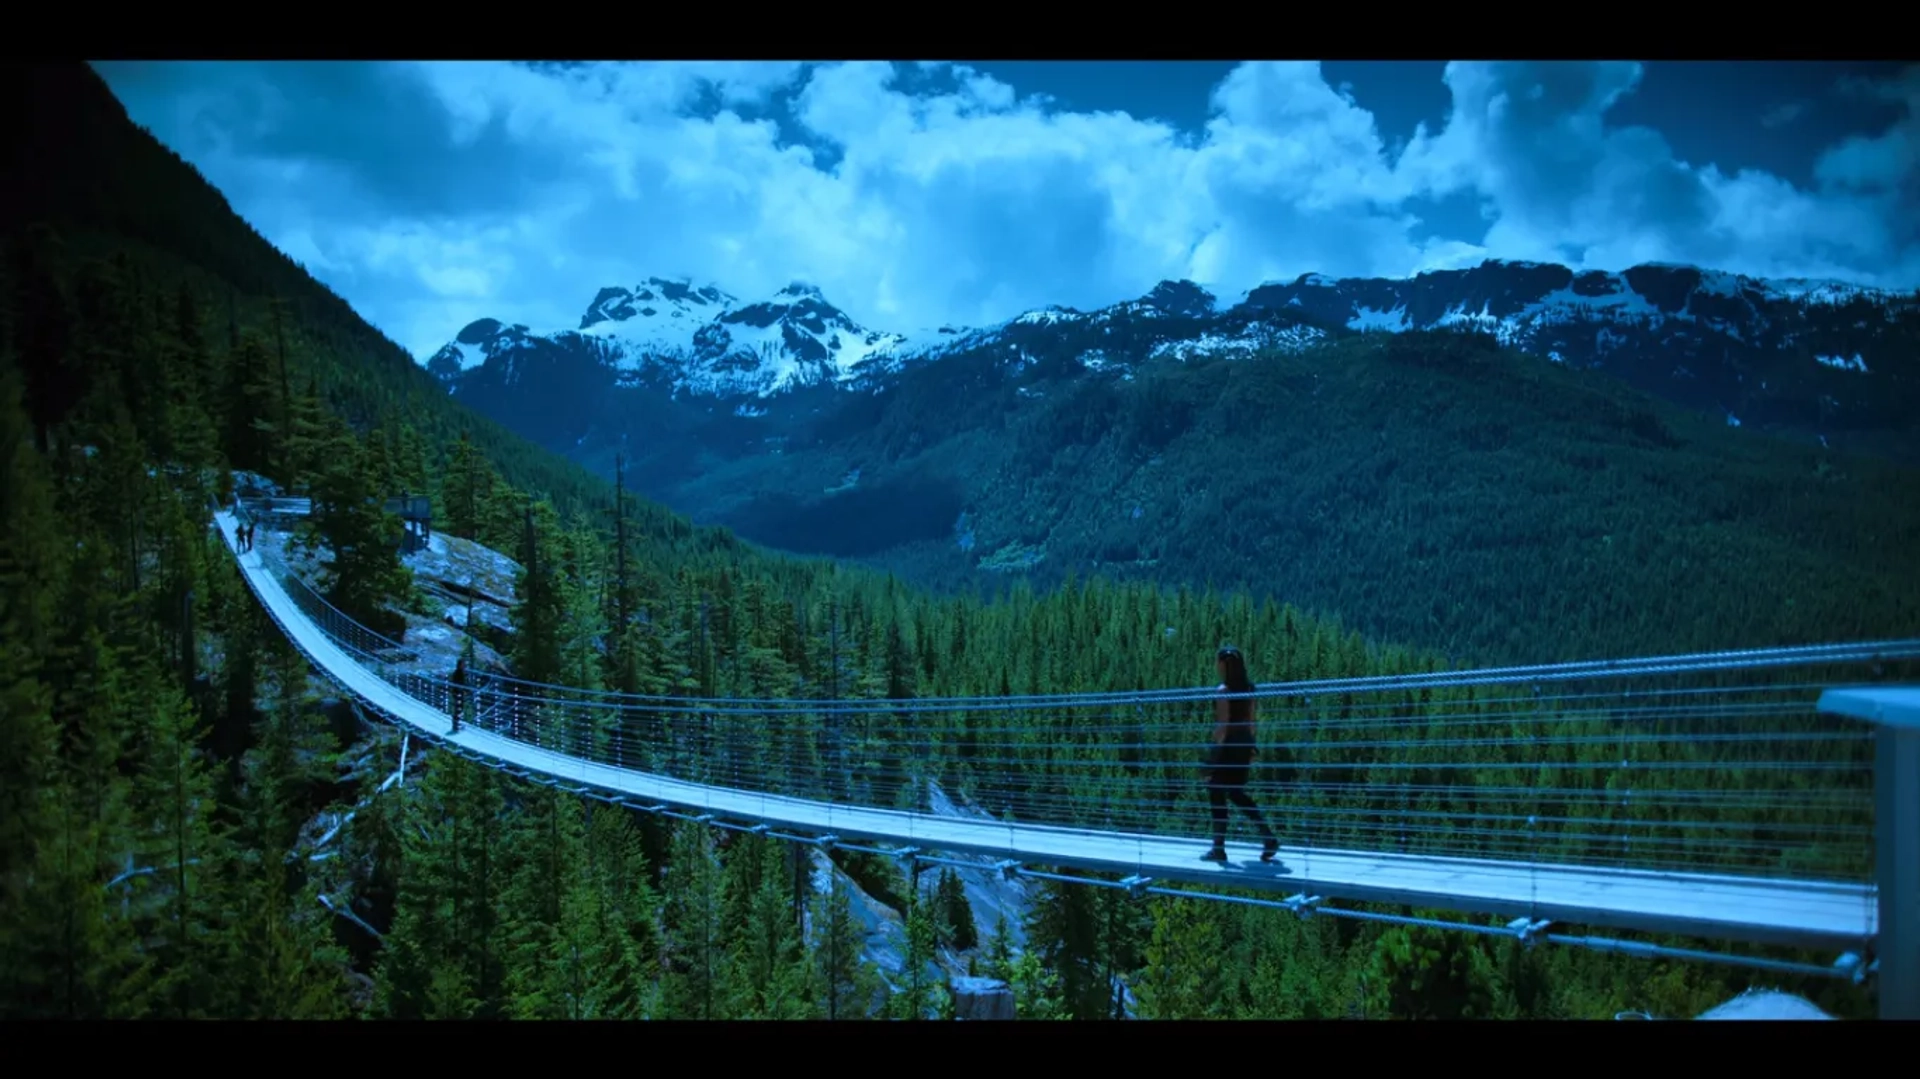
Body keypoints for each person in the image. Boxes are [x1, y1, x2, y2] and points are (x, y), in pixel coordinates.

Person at [1201, 644, 1279, 863]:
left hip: (1228, 747)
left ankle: (1218, 848)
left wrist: (1211, 754)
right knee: (1235, 793)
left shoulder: (1223, 691)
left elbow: (1223, 726)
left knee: (1216, 792)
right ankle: (1267, 837)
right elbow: (1252, 722)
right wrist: (1251, 746)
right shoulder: (1249, 688)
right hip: (1243, 745)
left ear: (1224, 664)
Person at [449, 655, 469, 733]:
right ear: (460, 665)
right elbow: (459, 683)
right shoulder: (458, 673)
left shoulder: (460, 672)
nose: (465, 666)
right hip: (458, 693)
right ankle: (456, 726)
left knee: (459, 709)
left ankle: (456, 725)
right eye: (464, 664)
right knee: (458, 709)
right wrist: (464, 690)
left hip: (459, 692)